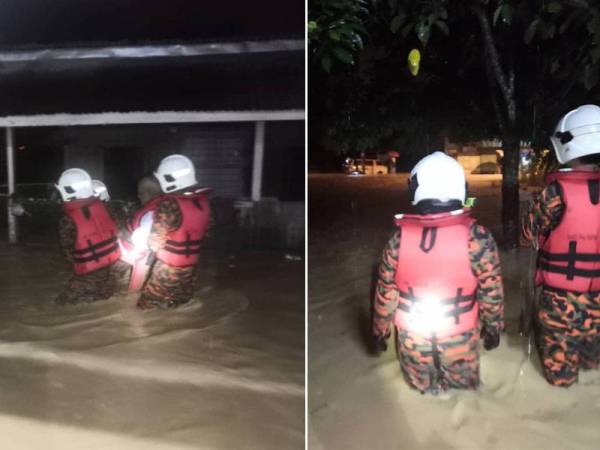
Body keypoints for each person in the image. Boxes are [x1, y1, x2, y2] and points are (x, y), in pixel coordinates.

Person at [372, 151, 504, 394]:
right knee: (463, 395)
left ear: (415, 190)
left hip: (412, 338)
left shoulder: (397, 239)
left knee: (419, 393)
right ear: (461, 189)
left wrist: (380, 331)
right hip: (461, 335)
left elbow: (385, 293)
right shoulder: (478, 237)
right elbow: (491, 290)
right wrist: (494, 328)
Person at [522, 104, 600, 387]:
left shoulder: (555, 192)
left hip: (560, 301)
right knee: (593, 371)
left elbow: (527, 233)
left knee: (561, 380)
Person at [136, 154, 211, 310]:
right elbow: (207, 231)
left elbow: (156, 242)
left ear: (167, 179)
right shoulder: (202, 201)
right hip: (190, 268)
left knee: (146, 309)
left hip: (168, 268)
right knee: (179, 306)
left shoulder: (169, 204)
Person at [55, 169, 121, 305]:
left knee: (62, 305)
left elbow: (67, 250)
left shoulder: (68, 218)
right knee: (105, 301)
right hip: (112, 269)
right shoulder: (106, 207)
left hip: (88, 274)